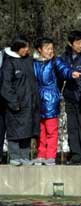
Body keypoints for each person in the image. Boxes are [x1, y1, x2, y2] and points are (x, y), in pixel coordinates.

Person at [33, 37, 81, 166]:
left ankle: (50, 155)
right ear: (40, 50)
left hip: (50, 99)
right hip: (37, 99)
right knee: (40, 130)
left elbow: (63, 69)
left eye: (51, 48)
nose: (50, 51)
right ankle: (40, 154)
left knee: (51, 129)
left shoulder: (55, 62)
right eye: (47, 49)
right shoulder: (33, 63)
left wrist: (71, 73)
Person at [0, 35, 39, 166]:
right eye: (25, 47)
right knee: (14, 132)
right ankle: (14, 156)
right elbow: (5, 86)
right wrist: (13, 102)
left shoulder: (28, 60)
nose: (27, 49)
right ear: (17, 48)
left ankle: (25, 156)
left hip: (29, 103)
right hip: (15, 105)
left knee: (27, 131)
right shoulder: (9, 62)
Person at [59, 30, 81, 166]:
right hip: (69, 97)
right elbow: (61, 74)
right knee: (72, 128)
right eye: (78, 43)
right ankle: (76, 155)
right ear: (70, 43)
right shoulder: (64, 57)